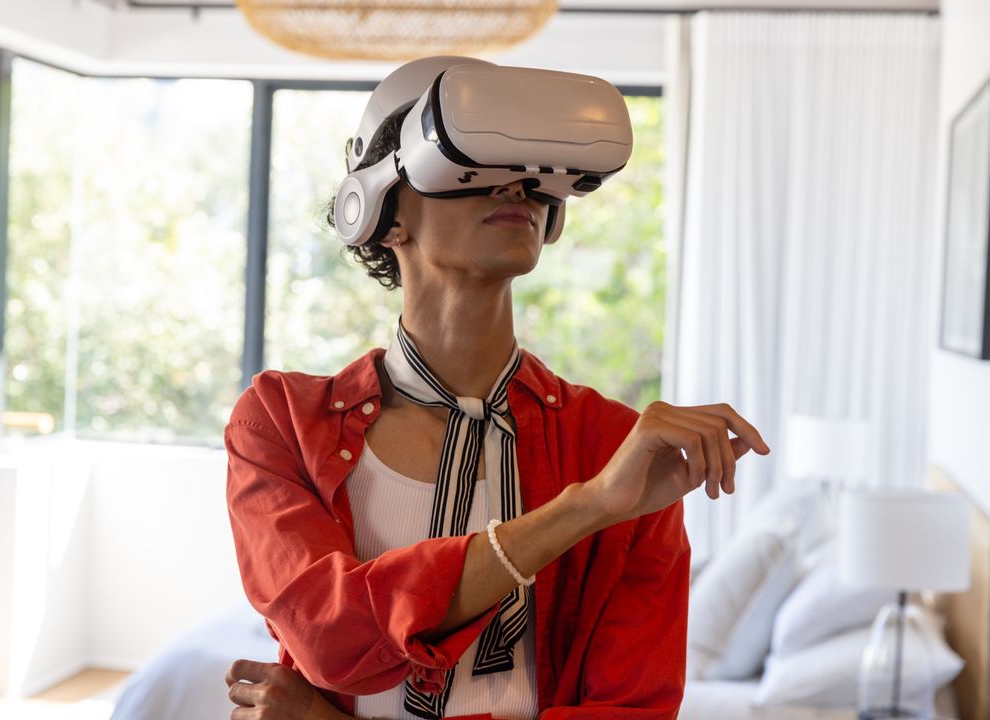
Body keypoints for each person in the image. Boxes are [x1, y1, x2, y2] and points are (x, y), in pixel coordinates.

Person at [223, 57, 770, 720]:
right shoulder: (279, 423)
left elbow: (630, 710)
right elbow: (332, 642)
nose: (515, 188)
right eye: (471, 166)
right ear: (385, 213)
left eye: (533, 174)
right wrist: (584, 508)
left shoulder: (621, 451)